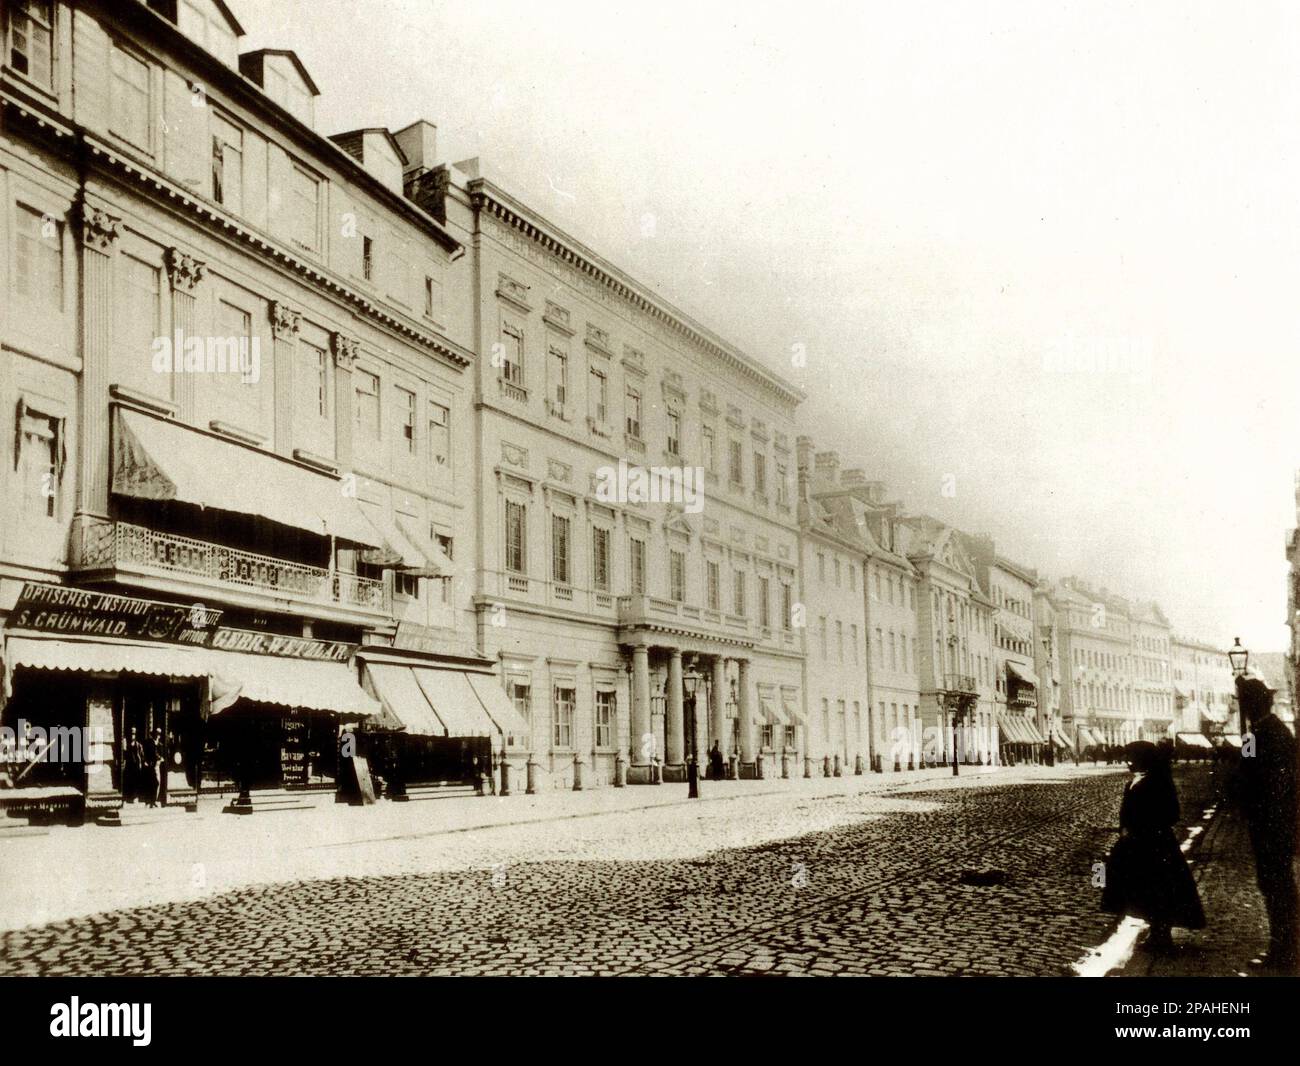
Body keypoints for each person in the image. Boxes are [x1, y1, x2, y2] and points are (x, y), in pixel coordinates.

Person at [1101, 740, 1205, 953]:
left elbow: (1171, 813)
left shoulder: (1158, 781)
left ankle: (1161, 934)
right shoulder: (1136, 781)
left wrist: (1144, 825)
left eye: (1132, 757)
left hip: (1154, 844)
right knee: (1143, 888)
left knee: (1158, 887)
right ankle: (1155, 930)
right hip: (1137, 843)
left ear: (1143, 759)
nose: (1128, 762)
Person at [1235, 674, 1298, 973]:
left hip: (1270, 823)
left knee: (1276, 886)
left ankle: (1284, 950)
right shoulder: (1277, 732)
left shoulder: (1256, 736)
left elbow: (1248, 775)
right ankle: (1283, 946)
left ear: (1251, 705)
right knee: (1277, 885)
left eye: (1245, 703)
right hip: (1275, 822)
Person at [123, 728, 145, 804]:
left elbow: (142, 755)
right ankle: (129, 797)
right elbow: (124, 754)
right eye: (132, 733)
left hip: (136, 766)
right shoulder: (127, 744)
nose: (132, 735)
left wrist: (141, 763)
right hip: (129, 766)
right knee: (129, 781)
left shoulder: (138, 745)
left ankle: (135, 797)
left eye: (134, 734)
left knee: (136, 782)